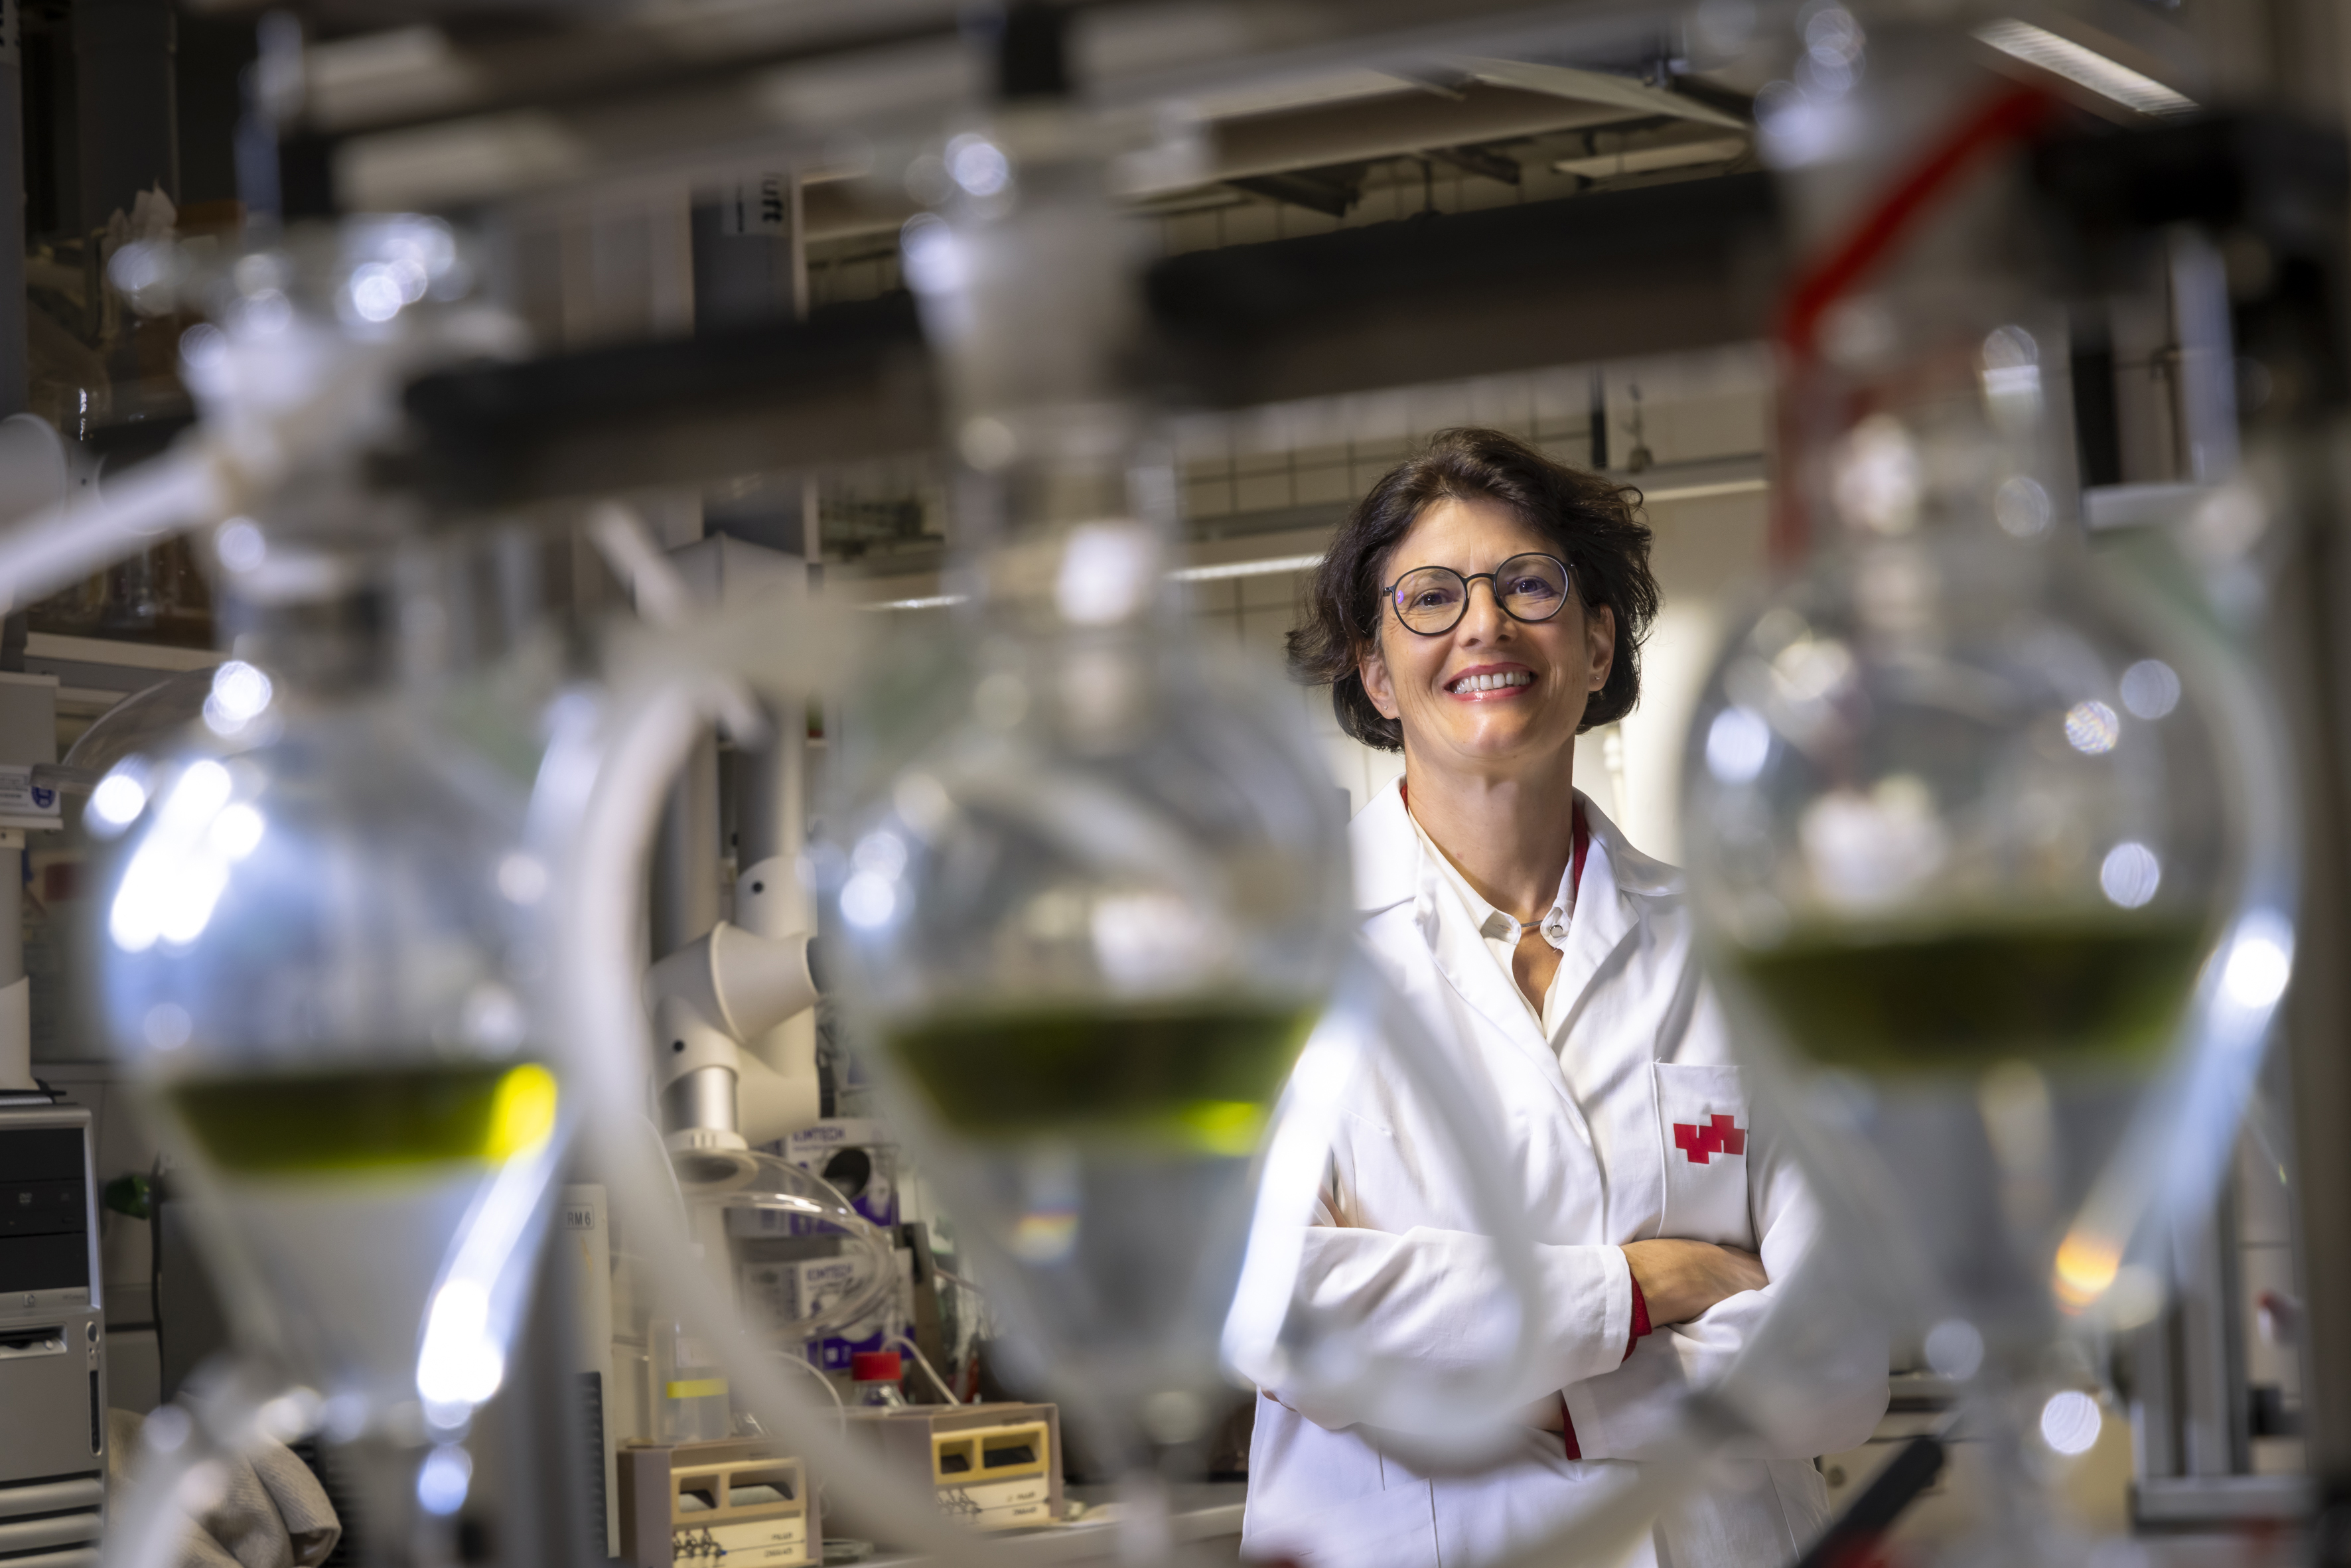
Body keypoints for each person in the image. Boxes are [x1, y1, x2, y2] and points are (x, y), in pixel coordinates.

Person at [1237, 428, 1888, 1568]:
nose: (1483, 624)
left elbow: (1837, 1354)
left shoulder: (1741, 955)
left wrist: (1526, 1396)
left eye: (1528, 584)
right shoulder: (1269, 963)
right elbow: (1271, 1303)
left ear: (1595, 646)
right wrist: (1633, 1292)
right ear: (1377, 673)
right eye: (1430, 598)